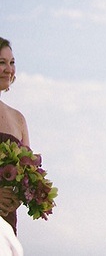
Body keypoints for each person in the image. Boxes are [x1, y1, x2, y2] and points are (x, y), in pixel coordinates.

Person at [0, 38, 28, 236]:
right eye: (1, 62)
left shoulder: (18, 119)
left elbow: (29, 176)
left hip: (6, 224)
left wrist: (19, 195)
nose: (8, 69)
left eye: (12, 62)